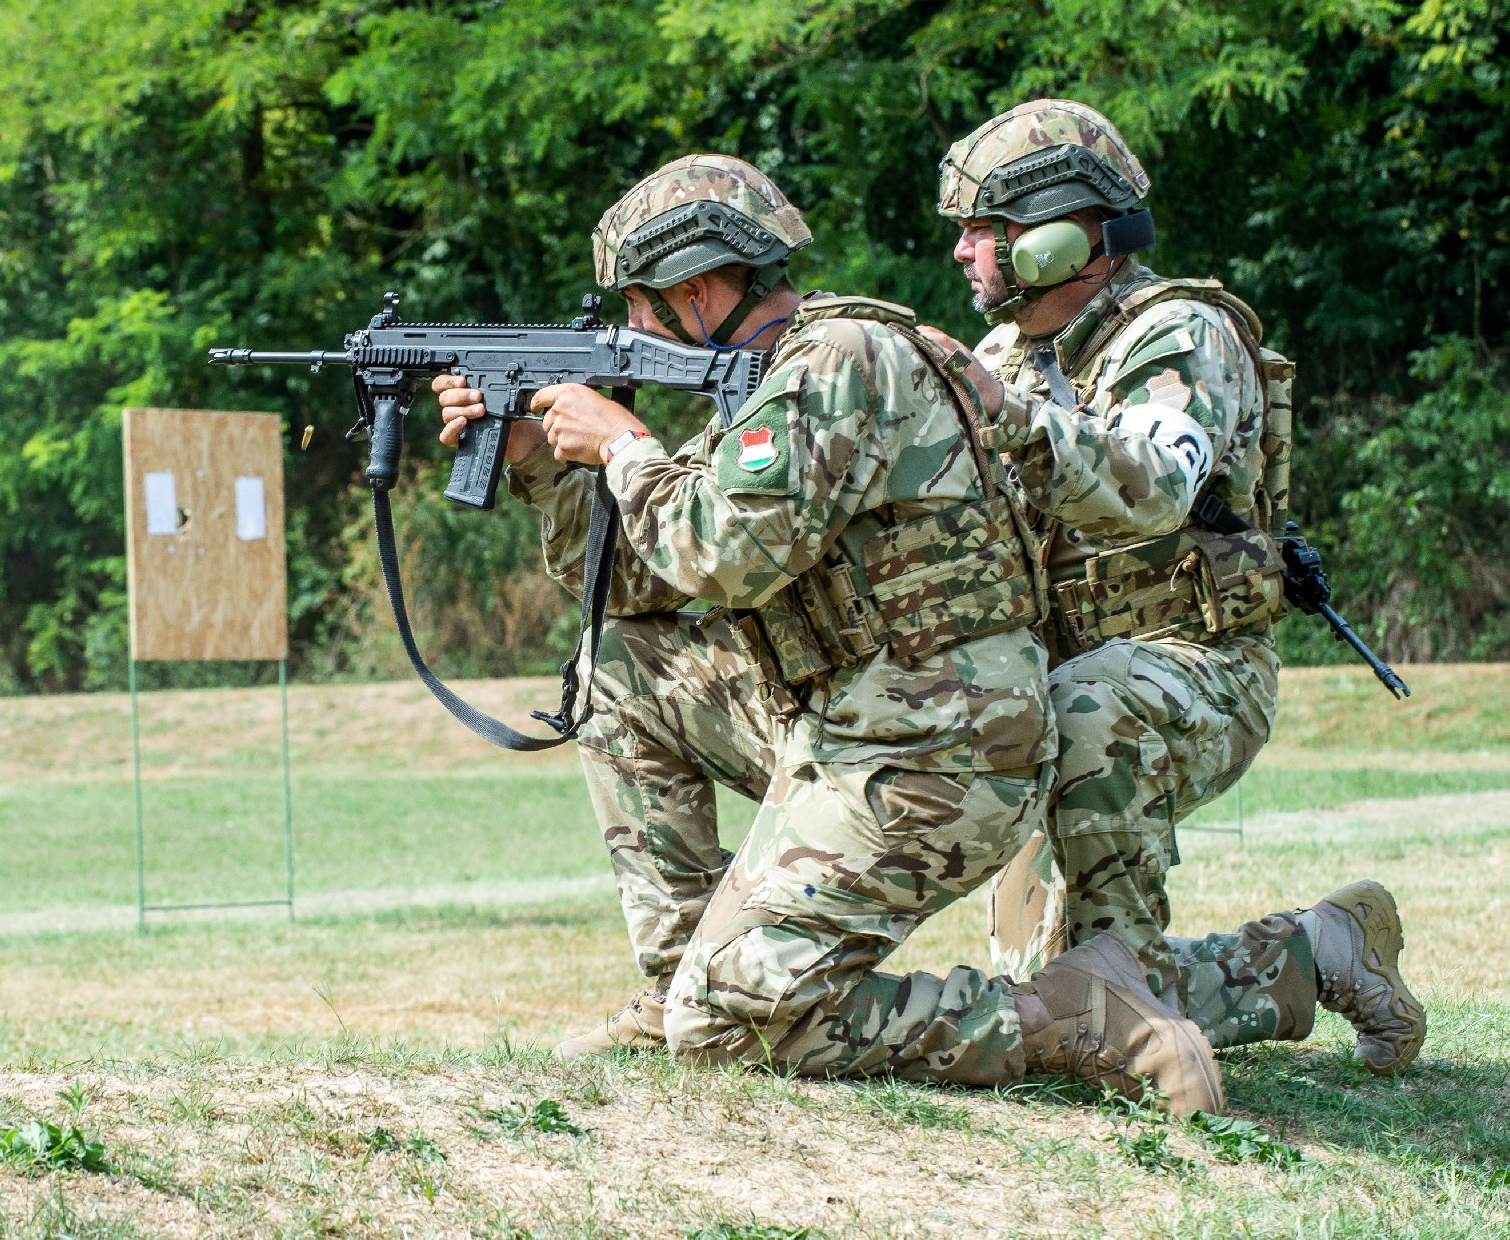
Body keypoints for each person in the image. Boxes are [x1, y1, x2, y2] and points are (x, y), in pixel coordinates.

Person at [434, 154, 1224, 1111]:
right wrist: (538, 464)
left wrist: (625, 445)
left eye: (639, 306)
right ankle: (680, 976)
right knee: (616, 668)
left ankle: (1071, 1011)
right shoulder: (772, 386)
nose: (629, 330)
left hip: (942, 747)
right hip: (847, 719)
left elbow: (719, 553)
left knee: (725, 1028)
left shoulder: (838, 364)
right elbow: (635, 580)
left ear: (698, 289)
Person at [938, 99, 1425, 1074]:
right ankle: (1317, 948)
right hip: (1064, 684)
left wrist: (1002, 419)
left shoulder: (1180, 337)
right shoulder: (1005, 360)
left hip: (1194, 669)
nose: (958, 250)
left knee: (1087, 718)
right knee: (1043, 992)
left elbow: (1153, 486)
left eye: (981, 226)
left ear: (1061, 235)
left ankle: (1130, 1018)